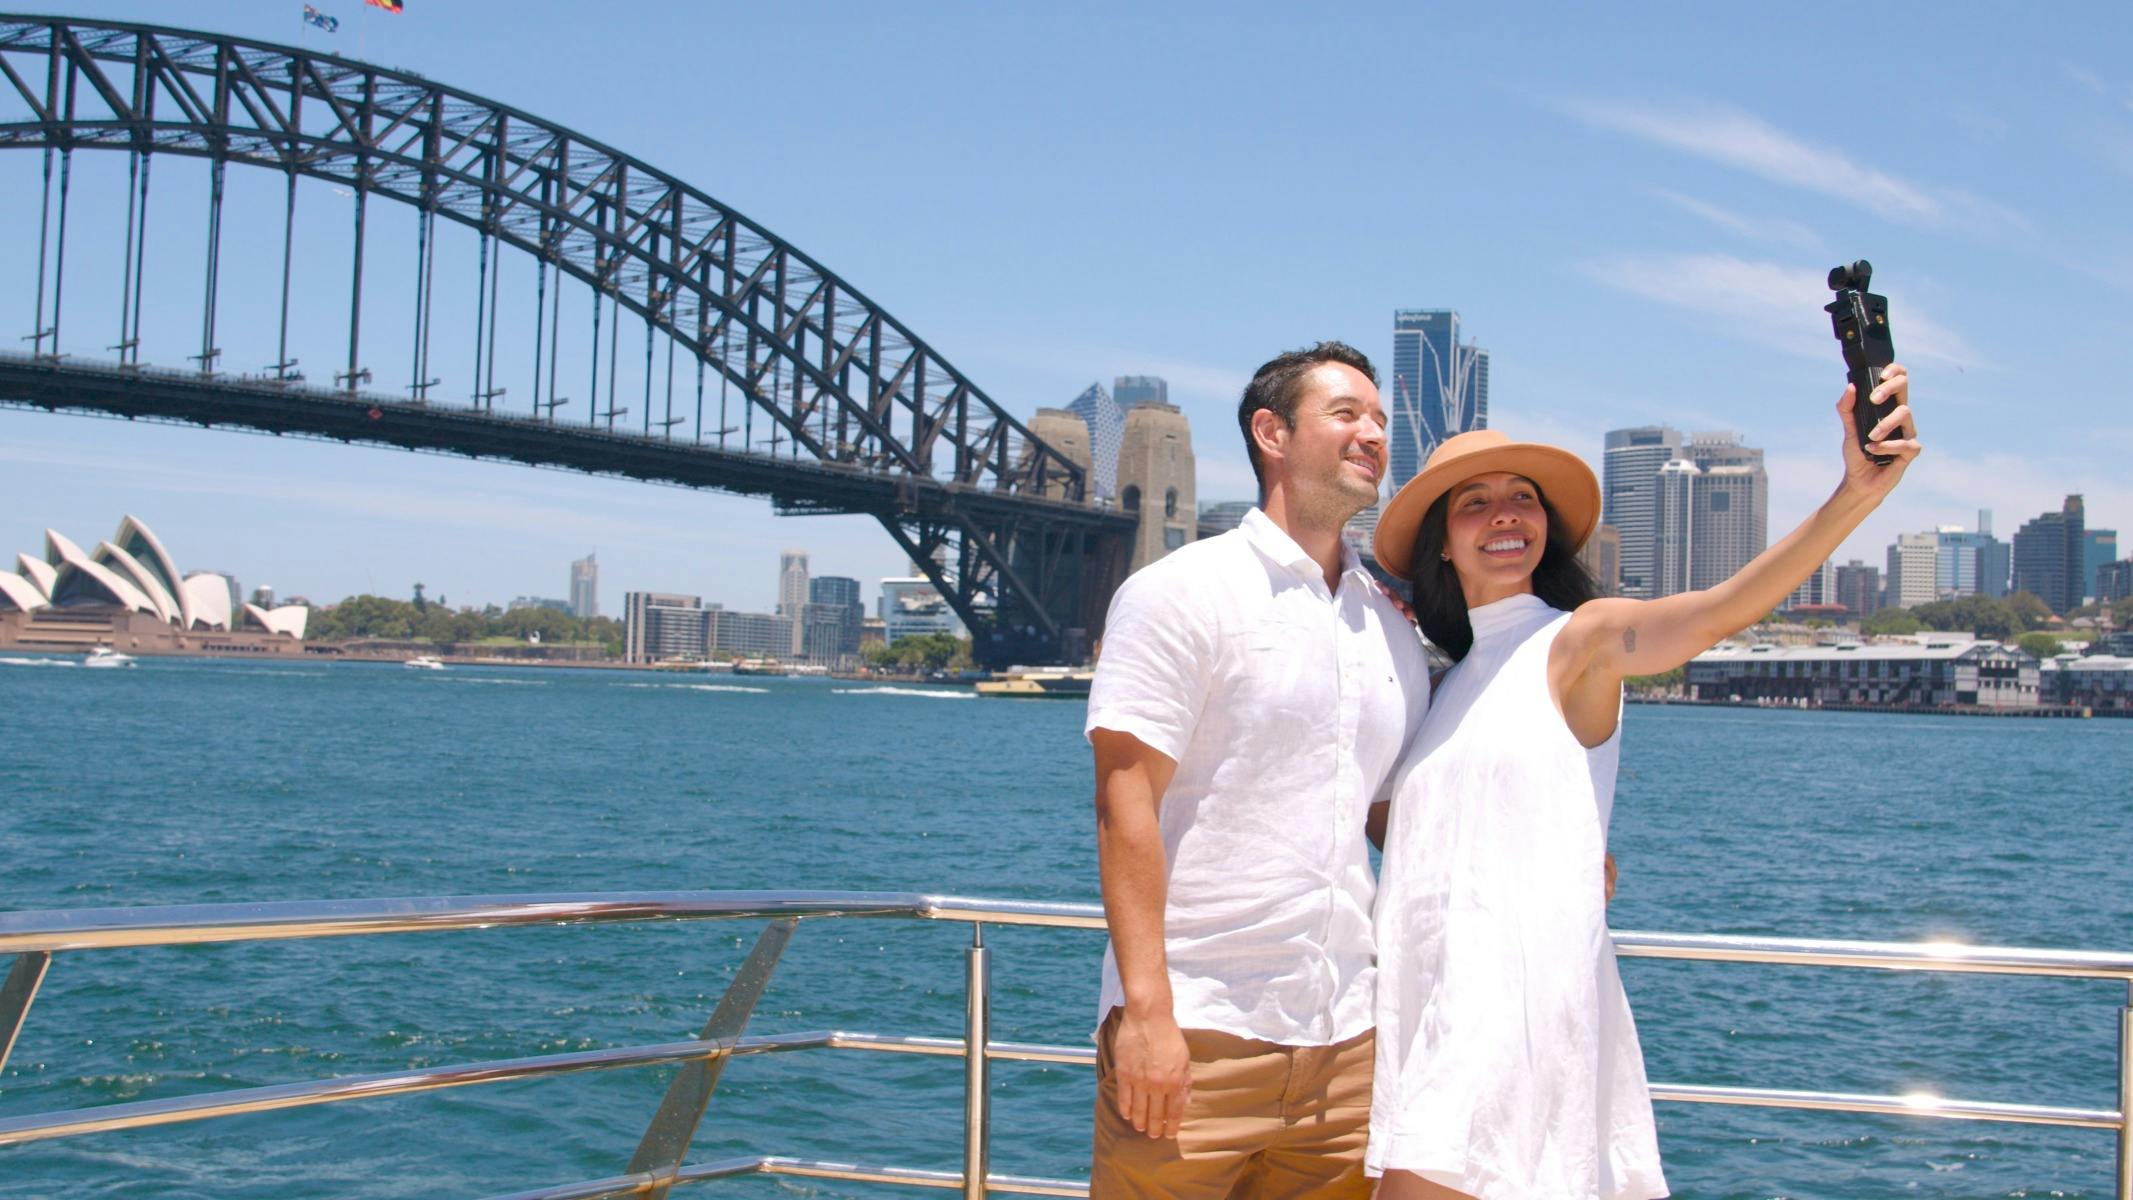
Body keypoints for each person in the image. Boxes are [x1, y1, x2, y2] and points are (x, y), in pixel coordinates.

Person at [1365, 367, 1920, 1200]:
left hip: (1508, 1009)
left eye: (1521, 496)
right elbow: (1411, 823)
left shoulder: (1578, 638)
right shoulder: (1447, 686)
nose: (1505, 513)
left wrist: (1856, 492)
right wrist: (1563, 844)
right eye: (1473, 503)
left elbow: (1713, 613)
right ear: (1442, 543)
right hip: (1433, 998)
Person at [1085, 342, 1433, 1198]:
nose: (1372, 434)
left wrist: (1547, 854)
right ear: (1271, 432)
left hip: (1348, 1045)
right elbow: (1124, 802)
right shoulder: (1180, 592)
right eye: (1345, 414)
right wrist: (1148, 1017)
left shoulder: (1388, 626)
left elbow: (1396, 812)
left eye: (1380, 420)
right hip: (1199, 1033)